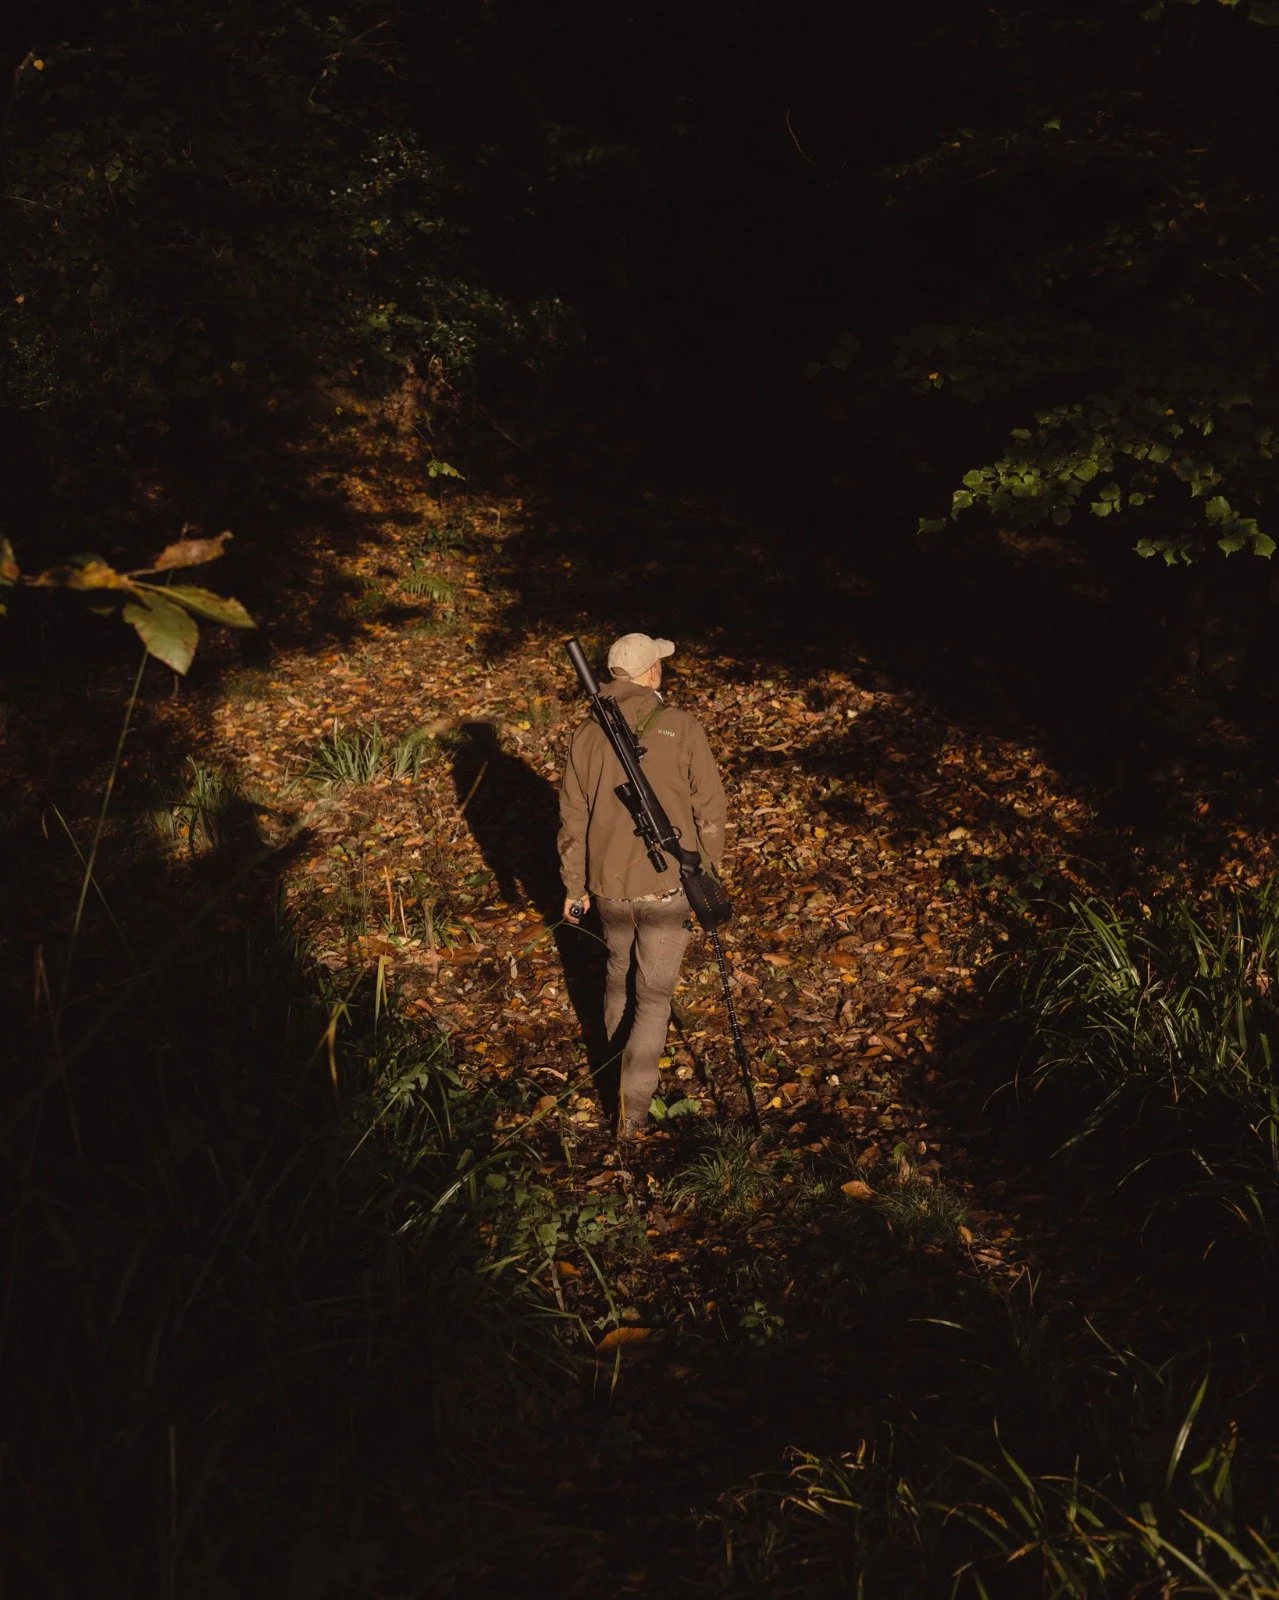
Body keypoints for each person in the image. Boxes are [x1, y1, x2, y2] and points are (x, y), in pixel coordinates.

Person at [557, 631, 728, 1136]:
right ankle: (631, 1115)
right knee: (653, 996)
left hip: (607, 887)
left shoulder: (586, 735)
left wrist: (574, 886)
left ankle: (612, 1076)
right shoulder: (680, 725)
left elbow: (572, 820)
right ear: (651, 673)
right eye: (661, 665)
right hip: (667, 884)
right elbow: (711, 809)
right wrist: (706, 873)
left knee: (616, 975)